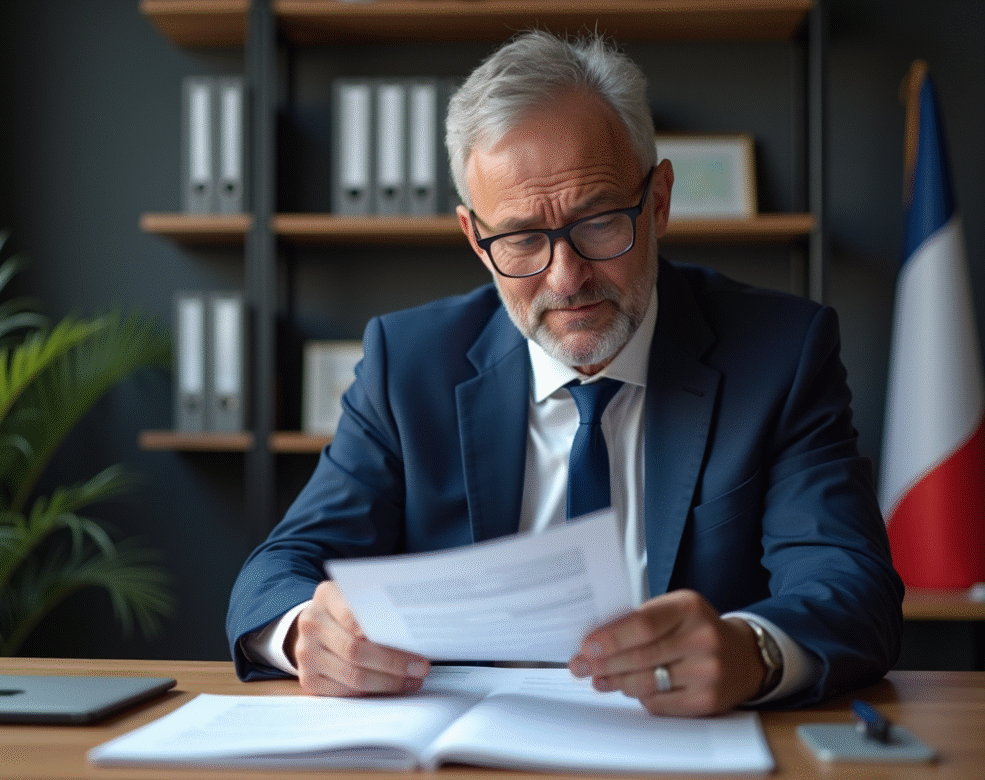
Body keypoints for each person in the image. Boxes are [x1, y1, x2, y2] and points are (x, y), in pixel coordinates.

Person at [226, 30, 903, 716]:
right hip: (470, 745)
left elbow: (852, 585)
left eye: (599, 222)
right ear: (475, 239)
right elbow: (278, 570)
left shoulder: (780, 353)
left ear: (659, 201)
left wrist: (753, 652)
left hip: (686, 739)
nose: (566, 278)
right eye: (522, 238)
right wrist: (305, 634)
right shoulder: (408, 366)